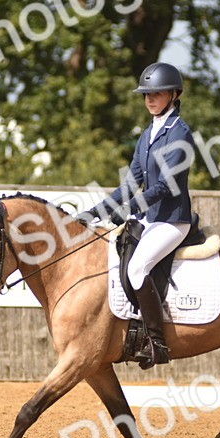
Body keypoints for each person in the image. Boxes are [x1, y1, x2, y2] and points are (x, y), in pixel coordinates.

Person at [75, 62, 196, 368]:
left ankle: (157, 343)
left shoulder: (179, 134)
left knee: (137, 268)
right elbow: (131, 182)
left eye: (156, 93)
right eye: (146, 94)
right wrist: (96, 212)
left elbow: (164, 186)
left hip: (171, 220)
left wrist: (129, 209)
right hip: (149, 218)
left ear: (173, 94)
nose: (150, 99)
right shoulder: (148, 133)